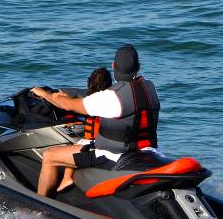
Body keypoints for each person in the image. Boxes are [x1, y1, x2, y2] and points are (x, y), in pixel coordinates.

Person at [31, 44, 161, 197]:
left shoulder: (110, 97)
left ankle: (39, 208)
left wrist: (44, 94)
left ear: (114, 66)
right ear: (138, 67)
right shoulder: (150, 88)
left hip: (111, 155)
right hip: (149, 151)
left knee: (49, 156)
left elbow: (67, 105)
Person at [51, 66, 112, 193]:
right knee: (75, 144)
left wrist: (58, 96)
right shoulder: (109, 99)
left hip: (93, 143)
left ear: (90, 83)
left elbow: (73, 103)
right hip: (103, 141)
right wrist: (64, 94)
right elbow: (78, 97)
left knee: (70, 147)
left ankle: (67, 178)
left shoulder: (90, 102)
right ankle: (68, 177)